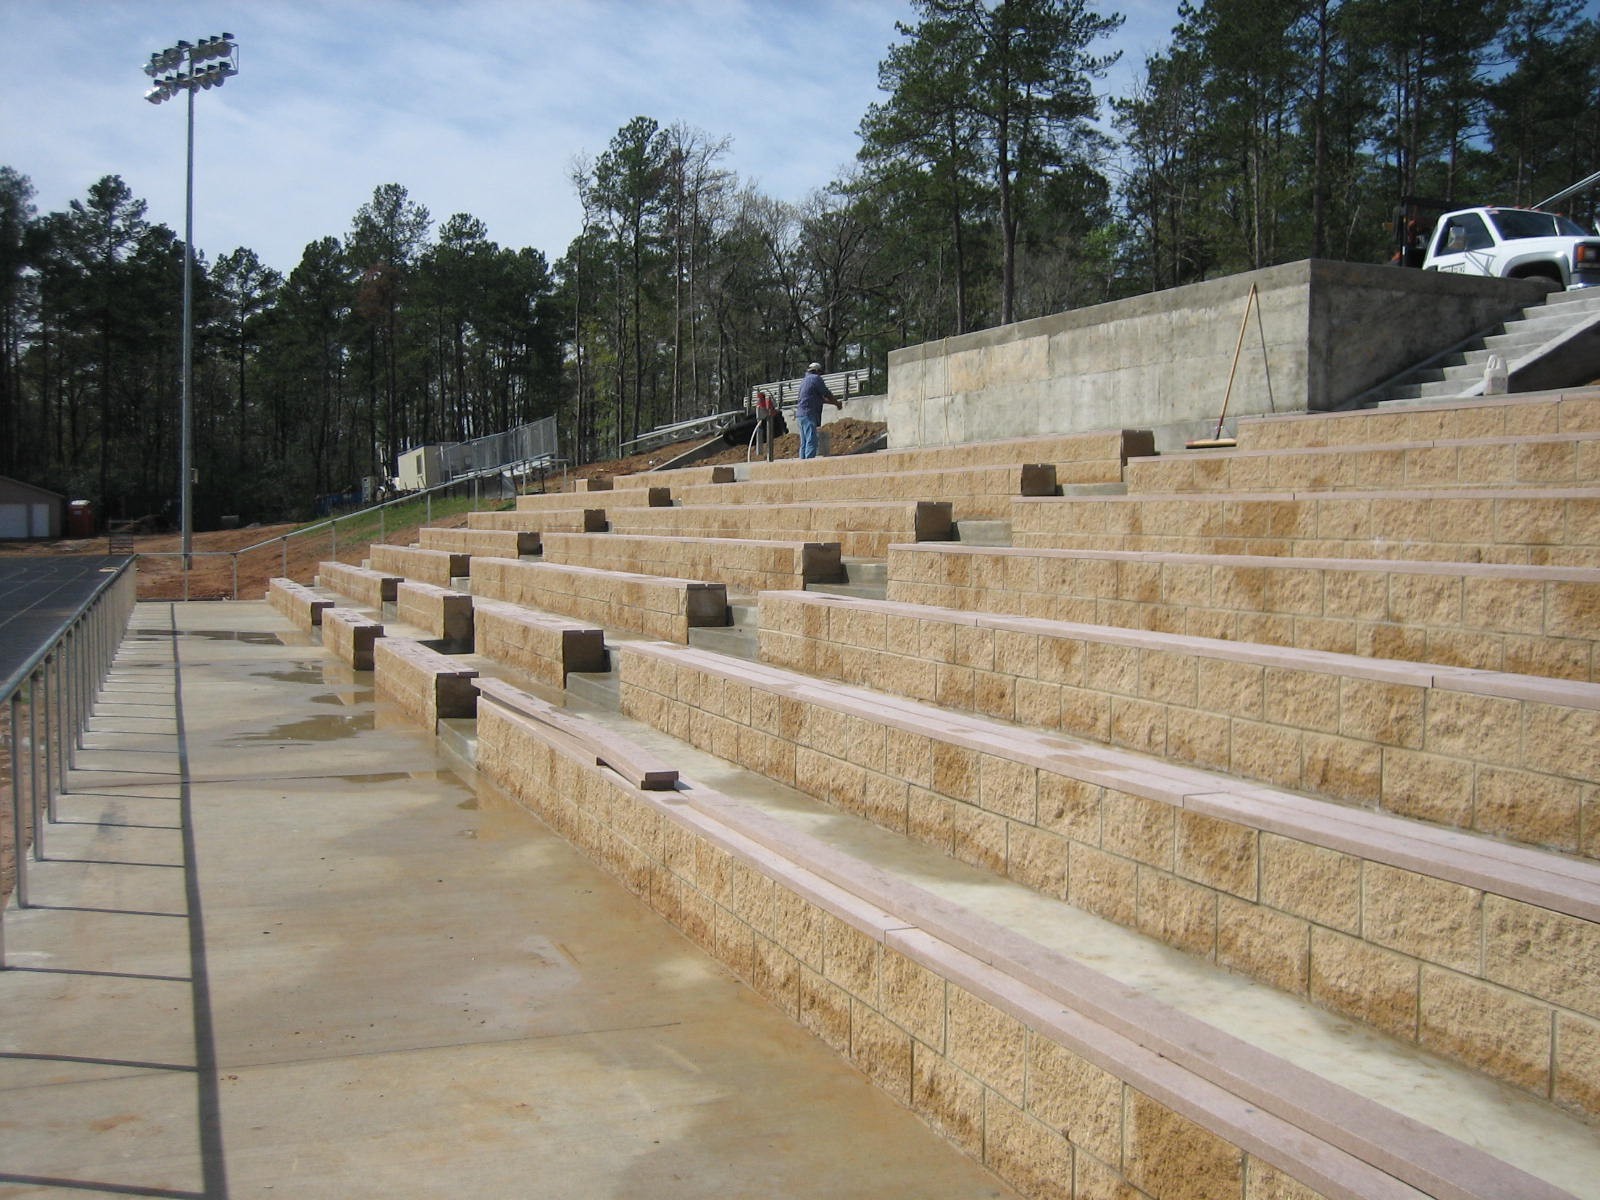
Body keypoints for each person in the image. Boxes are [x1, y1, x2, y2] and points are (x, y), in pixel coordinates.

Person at [796, 363, 842, 459]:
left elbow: (819, 399)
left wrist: (834, 403)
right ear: (817, 371)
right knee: (811, 440)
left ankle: (802, 464)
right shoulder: (815, 379)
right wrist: (837, 403)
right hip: (808, 413)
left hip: (800, 414)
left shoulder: (804, 381)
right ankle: (809, 465)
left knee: (804, 442)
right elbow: (826, 394)